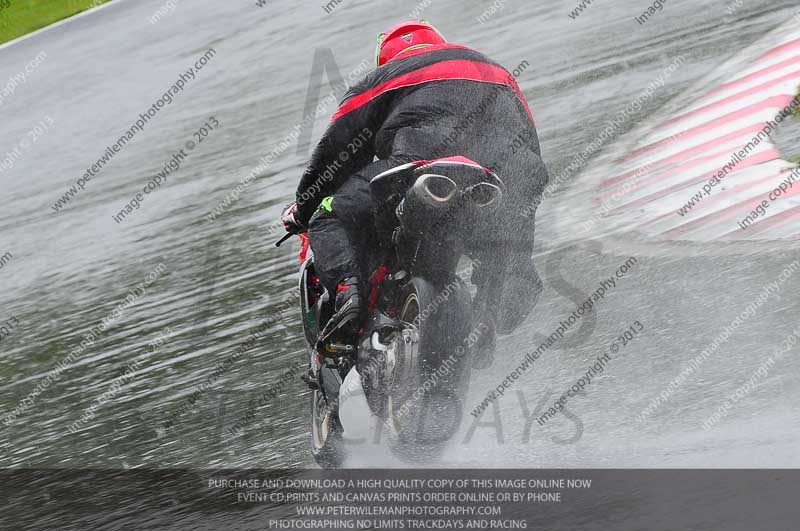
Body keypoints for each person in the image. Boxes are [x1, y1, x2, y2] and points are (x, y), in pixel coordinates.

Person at [282, 20, 548, 362]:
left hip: (419, 165)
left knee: (329, 215)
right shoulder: (496, 70)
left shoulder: (386, 76)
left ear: (387, 57)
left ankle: (350, 296)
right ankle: (489, 321)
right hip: (503, 176)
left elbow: (335, 154)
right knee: (510, 257)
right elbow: (531, 147)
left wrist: (304, 210)